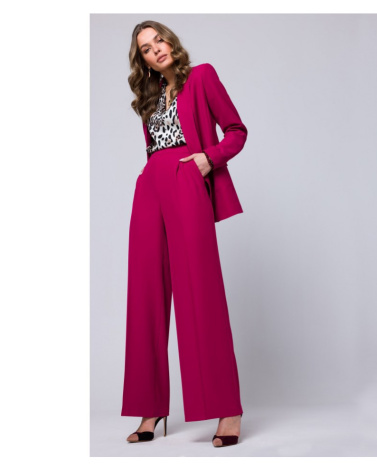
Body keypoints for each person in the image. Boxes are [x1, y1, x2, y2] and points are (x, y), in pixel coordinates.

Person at [121, 20, 247, 448]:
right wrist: (148, 178)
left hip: (186, 179)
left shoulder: (202, 76)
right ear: (142, 60)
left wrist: (209, 159)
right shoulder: (150, 96)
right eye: (146, 48)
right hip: (150, 186)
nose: (156, 49)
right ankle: (150, 406)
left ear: (170, 42)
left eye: (158, 39)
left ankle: (228, 408)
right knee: (145, 293)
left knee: (200, 291)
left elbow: (236, 131)